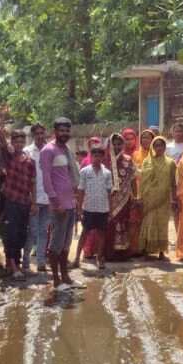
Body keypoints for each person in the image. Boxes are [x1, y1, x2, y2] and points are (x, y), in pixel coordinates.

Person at [40, 117, 80, 291]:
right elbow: (46, 179)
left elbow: (70, 176)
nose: (65, 133)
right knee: (55, 244)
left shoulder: (66, 150)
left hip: (70, 203)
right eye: (61, 130)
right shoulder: (48, 150)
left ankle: (66, 277)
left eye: (67, 130)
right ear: (55, 131)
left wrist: (74, 201)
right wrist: (56, 203)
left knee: (66, 244)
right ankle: (56, 281)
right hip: (59, 206)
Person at [2, 129, 36, 280]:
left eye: (21, 141)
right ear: (12, 142)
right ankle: (13, 266)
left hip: (24, 202)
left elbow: (32, 184)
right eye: (16, 141)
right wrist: (2, 125)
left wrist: (34, 202)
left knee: (22, 235)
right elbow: (2, 142)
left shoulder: (30, 161)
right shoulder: (9, 156)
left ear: (25, 142)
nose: (19, 144)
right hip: (11, 201)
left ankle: (16, 263)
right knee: (12, 234)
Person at [137, 136, 177, 259]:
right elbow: (143, 181)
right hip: (149, 199)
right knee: (148, 223)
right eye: (156, 145)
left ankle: (161, 251)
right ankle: (146, 250)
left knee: (162, 225)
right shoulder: (147, 161)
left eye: (161, 145)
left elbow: (173, 182)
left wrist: (174, 199)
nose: (159, 148)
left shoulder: (171, 163)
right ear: (153, 147)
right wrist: (141, 197)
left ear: (165, 147)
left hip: (163, 199)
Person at [77, 143, 113, 272]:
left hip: (103, 209)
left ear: (103, 157)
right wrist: (79, 209)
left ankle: (99, 258)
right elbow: (81, 191)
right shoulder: (84, 171)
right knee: (84, 233)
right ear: (91, 156)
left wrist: (110, 210)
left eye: (99, 155)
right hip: (89, 208)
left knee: (101, 234)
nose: (97, 158)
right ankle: (76, 258)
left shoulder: (107, 173)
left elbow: (109, 192)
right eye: (94, 155)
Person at [105, 133, 139, 261]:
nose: (117, 146)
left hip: (125, 198)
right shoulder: (105, 160)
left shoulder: (128, 160)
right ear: (110, 145)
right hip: (108, 199)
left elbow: (133, 179)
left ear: (123, 145)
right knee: (110, 224)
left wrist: (135, 196)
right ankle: (109, 253)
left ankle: (123, 252)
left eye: (119, 144)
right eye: (114, 144)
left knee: (123, 223)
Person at [23, 123, 52, 274]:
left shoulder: (51, 150)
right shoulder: (27, 152)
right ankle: (25, 262)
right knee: (32, 232)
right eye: (37, 134)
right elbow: (25, 178)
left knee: (43, 231)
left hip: (48, 199)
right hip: (33, 199)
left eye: (42, 133)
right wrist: (31, 200)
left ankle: (41, 262)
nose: (40, 136)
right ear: (33, 135)